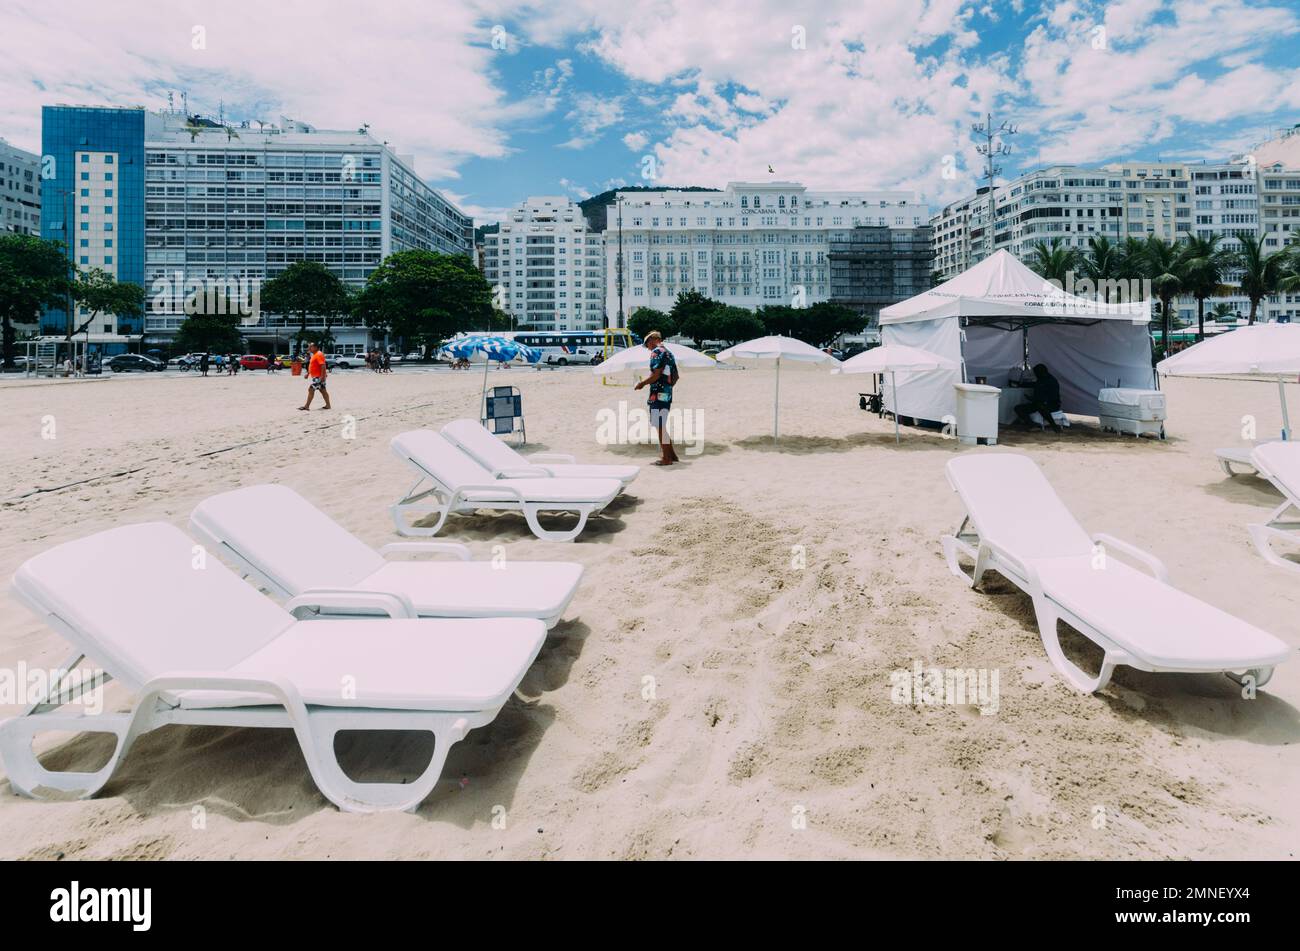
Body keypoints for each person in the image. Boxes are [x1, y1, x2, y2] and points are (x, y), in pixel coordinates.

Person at [633, 331, 680, 466]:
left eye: (647, 342)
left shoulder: (656, 352)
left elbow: (656, 375)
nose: (647, 347)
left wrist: (641, 384)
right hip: (666, 393)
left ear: (654, 339)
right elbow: (676, 376)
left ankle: (666, 458)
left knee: (659, 425)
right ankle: (672, 456)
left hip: (657, 393)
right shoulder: (669, 353)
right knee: (661, 425)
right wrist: (667, 387)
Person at [1014, 363, 1062, 433]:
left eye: (1036, 373)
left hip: (1051, 404)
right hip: (1037, 403)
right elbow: (1034, 384)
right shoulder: (1041, 379)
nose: (1035, 375)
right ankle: (1032, 424)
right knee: (1018, 408)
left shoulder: (1052, 381)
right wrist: (1020, 384)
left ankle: (1054, 425)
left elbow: (1052, 397)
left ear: (1041, 373)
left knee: (1041, 406)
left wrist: (1036, 399)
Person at [299, 342, 331, 411]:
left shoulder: (319, 354)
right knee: (323, 391)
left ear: (316, 347)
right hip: (316, 376)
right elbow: (313, 366)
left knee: (311, 389)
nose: (309, 348)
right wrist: (308, 373)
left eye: (311, 347)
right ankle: (328, 405)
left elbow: (323, 366)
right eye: (309, 347)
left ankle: (306, 406)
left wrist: (322, 377)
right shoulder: (314, 355)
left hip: (318, 377)